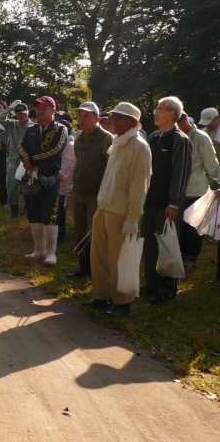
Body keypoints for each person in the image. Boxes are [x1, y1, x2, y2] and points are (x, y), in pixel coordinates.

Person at [90, 102, 152, 315]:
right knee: (98, 255)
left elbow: (139, 186)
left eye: (118, 118)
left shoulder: (140, 147)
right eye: (113, 117)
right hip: (104, 207)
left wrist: (133, 218)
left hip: (122, 213)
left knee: (119, 259)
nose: (112, 121)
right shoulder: (117, 142)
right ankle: (100, 295)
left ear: (132, 122)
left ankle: (122, 302)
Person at [142, 96, 192, 304]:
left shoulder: (180, 140)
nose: (155, 111)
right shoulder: (153, 137)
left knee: (167, 245)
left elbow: (180, 174)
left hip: (167, 205)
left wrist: (174, 203)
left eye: (160, 108)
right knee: (150, 245)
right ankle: (151, 285)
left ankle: (167, 290)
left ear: (172, 114)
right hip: (150, 202)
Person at [19, 96, 68, 265]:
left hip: (50, 178)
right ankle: (38, 250)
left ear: (53, 110)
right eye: (38, 108)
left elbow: (55, 150)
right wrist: (26, 159)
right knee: (34, 213)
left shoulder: (61, 129)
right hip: (32, 177)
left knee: (51, 215)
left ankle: (51, 252)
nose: (40, 111)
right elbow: (22, 146)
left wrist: (32, 160)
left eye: (44, 108)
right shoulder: (32, 129)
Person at [67, 102, 113, 277]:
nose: (82, 119)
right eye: (80, 115)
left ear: (96, 117)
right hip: (79, 191)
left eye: (86, 115)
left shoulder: (107, 138)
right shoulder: (79, 139)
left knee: (94, 234)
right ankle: (83, 267)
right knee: (79, 232)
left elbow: (111, 168)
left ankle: (97, 271)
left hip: (97, 194)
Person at [177, 112, 220, 270]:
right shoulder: (173, 135)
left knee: (193, 227)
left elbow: (212, 165)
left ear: (185, 121)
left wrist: (219, 182)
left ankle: (190, 258)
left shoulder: (201, 138)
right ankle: (178, 255)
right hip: (176, 190)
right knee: (179, 225)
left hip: (196, 190)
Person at [0, 100, 35, 219]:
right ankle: (14, 212)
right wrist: (10, 108)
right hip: (13, 160)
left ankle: (28, 211)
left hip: (28, 161)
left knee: (29, 186)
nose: (21, 116)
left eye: (23, 113)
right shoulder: (12, 124)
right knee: (11, 186)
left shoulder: (34, 127)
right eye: (18, 114)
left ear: (27, 113)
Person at [56, 118, 75, 241]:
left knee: (60, 211)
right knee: (57, 211)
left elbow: (68, 166)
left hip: (64, 185)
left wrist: (55, 175)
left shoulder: (69, 145)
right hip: (58, 183)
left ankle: (60, 235)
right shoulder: (61, 143)